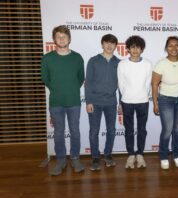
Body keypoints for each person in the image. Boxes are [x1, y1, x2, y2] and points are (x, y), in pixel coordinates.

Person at [41, 25, 85, 176]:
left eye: (64, 36)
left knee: (75, 132)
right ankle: (61, 160)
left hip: (73, 101)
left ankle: (75, 158)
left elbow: (81, 78)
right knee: (58, 132)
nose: (61, 39)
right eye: (58, 37)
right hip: (56, 102)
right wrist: (59, 89)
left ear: (69, 39)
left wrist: (70, 89)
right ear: (54, 39)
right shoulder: (47, 58)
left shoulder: (77, 57)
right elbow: (45, 79)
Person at [152, 36, 178, 170]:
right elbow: (154, 84)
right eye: (170, 45)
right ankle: (163, 155)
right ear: (166, 48)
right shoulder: (161, 63)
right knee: (167, 130)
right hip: (166, 100)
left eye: (176, 45)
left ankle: (177, 154)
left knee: (177, 129)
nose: (174, 48)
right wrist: (155, 103)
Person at [85, 34, 120, 171]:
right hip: (95, 102)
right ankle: (95, 157)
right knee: (94, 131)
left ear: (116, 46)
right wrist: (88, 101)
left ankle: (108, 155)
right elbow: (88, 83)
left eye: (112, 43)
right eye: (106, 43)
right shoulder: (93, 61)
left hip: (111, 102)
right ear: (102, 44)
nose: (109, 45)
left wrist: (121, 103)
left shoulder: (119, 63)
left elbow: (121, 84)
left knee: (111, 130)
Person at [117, 35, 152, 169]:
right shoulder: (122, 64)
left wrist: (143, 95)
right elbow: (121, 84)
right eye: (132, 47)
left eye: (138, 47)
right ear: (128, 49)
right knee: (129, 130)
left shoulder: (148, 64)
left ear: (142, 49)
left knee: (142, 129)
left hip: (143, 101)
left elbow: (148, 83)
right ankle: (131, 154)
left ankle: (140, 154)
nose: (135, 50)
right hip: (127, 101)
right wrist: (126, 97)